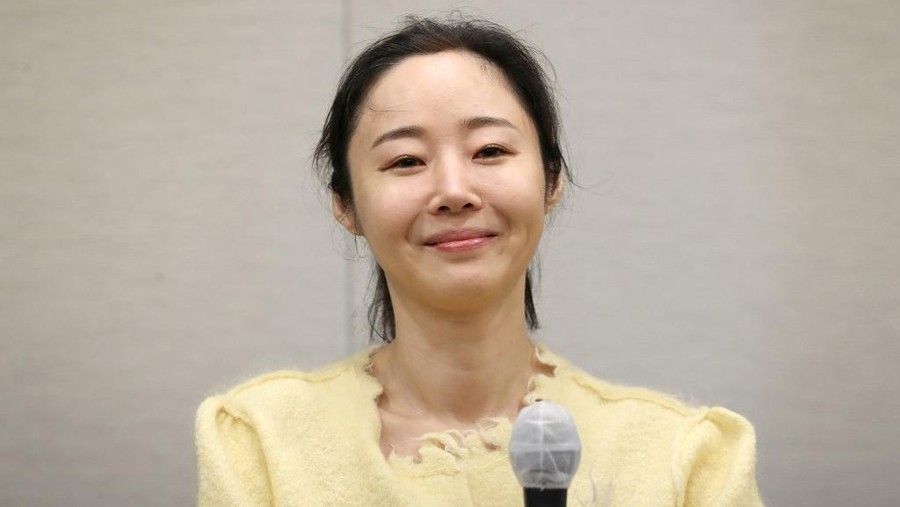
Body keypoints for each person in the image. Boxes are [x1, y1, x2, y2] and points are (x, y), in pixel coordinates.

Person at [195, 16, 764, 506]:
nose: (453, 190)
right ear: (346, 204)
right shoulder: (263, 442)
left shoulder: (685, 459)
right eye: (406, 160)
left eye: (490, 150)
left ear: (549, 179)